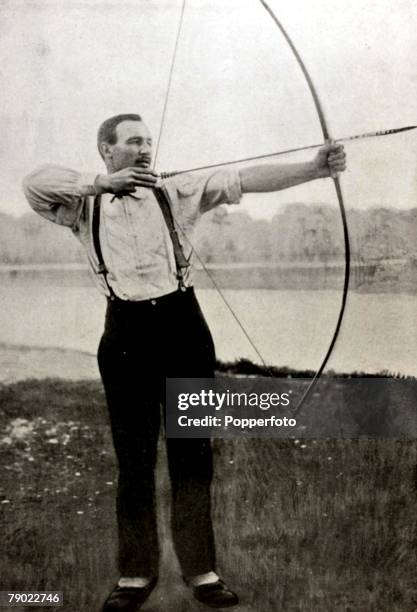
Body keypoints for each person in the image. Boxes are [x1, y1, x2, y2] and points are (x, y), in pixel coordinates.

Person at [23, 113, 346, 611]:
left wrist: (313, 168)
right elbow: (33, 183)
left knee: (192, 457)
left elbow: (244, 180)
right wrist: (101, 184)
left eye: (149, 140)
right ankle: (134, 575)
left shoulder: (176, 190)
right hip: (125, 335)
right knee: (134, 460)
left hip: (183, 329)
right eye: (133, 142)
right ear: (107, 151)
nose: (145, 148)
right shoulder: (81, 205)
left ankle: (202, 571)